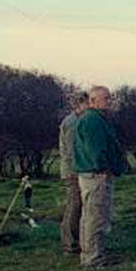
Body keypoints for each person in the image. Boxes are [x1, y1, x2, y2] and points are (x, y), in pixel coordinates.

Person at [71, 85, 128, 269]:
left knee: (90, 216)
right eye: (106, 98)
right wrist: (104, 169)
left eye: (110, 98)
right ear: (93, 100)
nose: (109, 101)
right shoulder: (92, 120)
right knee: (96, 218)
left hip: (92, 174)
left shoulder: (95, 118)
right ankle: (93, 259)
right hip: (96, 176)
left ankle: (91, 254)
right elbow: (96, 150)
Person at [57, 90, 89, 258]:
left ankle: (77, 241)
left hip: (77, 169)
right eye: (87, 103)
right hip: (73, 171)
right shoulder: (72, 123)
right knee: (74, 206)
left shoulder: (79, 121)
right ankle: (69, 244)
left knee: (79, 206)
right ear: (78, 105)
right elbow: (72, 150)